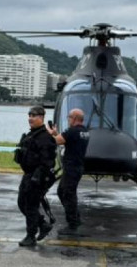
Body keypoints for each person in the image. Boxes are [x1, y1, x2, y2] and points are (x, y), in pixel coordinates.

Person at [14, 104, 59, 247]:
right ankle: (43, 225)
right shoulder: (32, 134)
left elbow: (48, 162)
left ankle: (30, 235)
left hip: (37, 177)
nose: (30, 118)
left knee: (31, 205)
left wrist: (37, 178)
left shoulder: (45, 137)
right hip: (28, 175)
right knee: (22, 203)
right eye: (29, 115)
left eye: (33, 116)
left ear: (41, 118)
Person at [54, 108, 89, 231]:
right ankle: (75, 217)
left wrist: (48, 133)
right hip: (77, 167)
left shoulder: (72, 131)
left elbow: (56, 141)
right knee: (62, 192)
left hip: (71, 168)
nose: (68, 119)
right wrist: (56, 132)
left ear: (74, 118)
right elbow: (67, 140)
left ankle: (73, 223)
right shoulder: (84, 131)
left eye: (69, 117)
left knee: (68, 194)